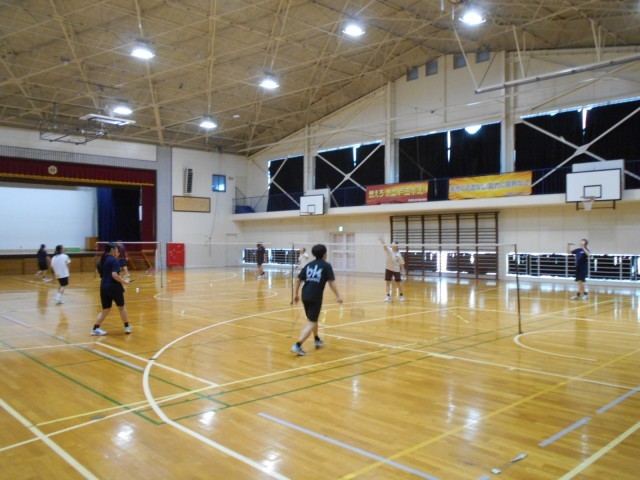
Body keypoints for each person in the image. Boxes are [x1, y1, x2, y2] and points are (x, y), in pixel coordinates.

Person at [291, 244, 343, 356]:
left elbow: (298, 279)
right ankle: (298, 345)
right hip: (315, 297)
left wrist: (295, 294)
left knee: (313, 319)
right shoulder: (326, 266)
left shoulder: (309, 265)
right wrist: (338, 295)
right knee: (311, 322)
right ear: (324, 254)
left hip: (305, 295)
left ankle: (317, 339)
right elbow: (331, 282)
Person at [93, 242, 132, 335]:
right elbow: (114, 275)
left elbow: (104, 274)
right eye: (116, 249)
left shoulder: (101, 261)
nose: (117, 250)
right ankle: (127, 327)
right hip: (114, 287)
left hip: (104, 287)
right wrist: (124, 281)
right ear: (112, 250)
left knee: (106, 309)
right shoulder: (115, 260)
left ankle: (95, 329)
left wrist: (120, 278)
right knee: (121, 307)